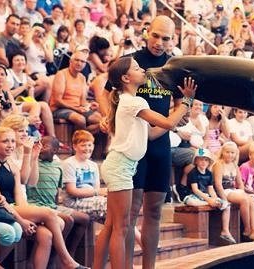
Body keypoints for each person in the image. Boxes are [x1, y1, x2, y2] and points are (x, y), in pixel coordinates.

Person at [93, 57, 196, 269]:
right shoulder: (135, 102)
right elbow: (167, 121)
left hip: (119, 165)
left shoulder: (126, 100)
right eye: (138, 68)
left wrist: (178, 115)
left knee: (112, 225)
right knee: (120, 227)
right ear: (126, 77)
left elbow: (152, 133)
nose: (143, 71)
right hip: (121, 166)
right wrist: (186, 102)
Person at [0, 127, 88, 269]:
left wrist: (27, 214)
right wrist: (21, 220)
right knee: (49, 213)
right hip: (2, 209)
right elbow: (0, 201)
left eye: (13, 141)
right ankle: (67, 261)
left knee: (46, 236)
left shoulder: (12, 166)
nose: (10, 145)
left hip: (15, 207)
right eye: (5, 141)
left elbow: (20, 198)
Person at [26, 135, 90, 257]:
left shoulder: (58, 166)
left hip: (52, 205)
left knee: (84, 218)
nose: (41, 148)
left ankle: (70, 252)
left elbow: (57, 191)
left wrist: (56, 205)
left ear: (55, 151)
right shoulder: (34, 162)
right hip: (35, 204)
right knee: (68, 220)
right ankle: (58, 255)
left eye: (45, 146)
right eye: (39, 145)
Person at [213, 141, 254, 241]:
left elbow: (240, 183)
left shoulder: (234, 165)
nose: (230, 155)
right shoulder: (219, 164)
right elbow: (218, 185)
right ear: (222, 152)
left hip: (233, 190)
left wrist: (242, 192)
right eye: (227, 152)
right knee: (244, 200)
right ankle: (247, 229)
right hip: (224, 191)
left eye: (232, 153)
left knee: (252, 200)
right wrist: (224, 198)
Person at [183, 148, 236, 244]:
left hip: (206, 197)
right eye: (201, 159)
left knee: (226, 205)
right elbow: (195, 190)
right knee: (192, 202)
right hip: (194, 196)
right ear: (196, 161)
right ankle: (209, 203)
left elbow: (211, 189)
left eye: (206, 160)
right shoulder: (193, 173)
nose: (203, 162)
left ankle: (225, 231)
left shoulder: (209, 174)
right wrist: (209, 200)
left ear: (209, 162)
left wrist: (215, 198)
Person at [50, 50, 102, 133]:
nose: (79, 63)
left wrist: (89, 105)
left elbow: (83, 102)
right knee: (80, 119)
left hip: (77, 108)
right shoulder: (61, 74)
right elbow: (57, 101)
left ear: (85, 64)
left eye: (82, 61)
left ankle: (82, 138)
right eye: (77, 60)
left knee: (100, 119)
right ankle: (81, 140)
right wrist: (76, 109)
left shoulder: (82, 78)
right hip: (59, 109)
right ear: (70, 61)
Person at [61, 130, 107, 222]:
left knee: (117, 205)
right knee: (107, 205)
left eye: (89, 145)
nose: (87, 148)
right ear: (75, 147)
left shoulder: (93, 165)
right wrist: (98, 192)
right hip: (74, 202)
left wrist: (101, 193)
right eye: (83, 145)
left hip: (91, 200)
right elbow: (72, 191)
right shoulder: (69, 163)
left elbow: (96, 189)